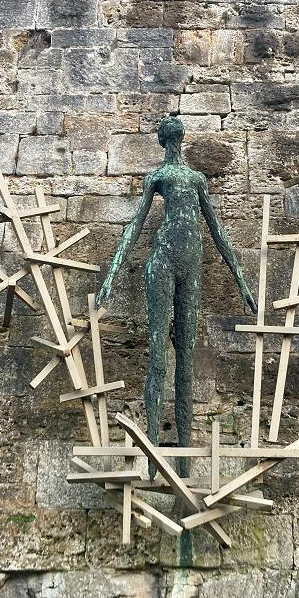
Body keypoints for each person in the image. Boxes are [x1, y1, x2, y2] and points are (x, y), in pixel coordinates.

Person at [95, 116, 257, 472]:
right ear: (165, 140)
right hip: (163, 260)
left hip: (191, 263)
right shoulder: (157, 178)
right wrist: (112, 275)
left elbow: (217, 231)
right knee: (158, 357)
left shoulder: (196, 179)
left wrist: (241, 282)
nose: (174, 138)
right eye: (170, 134)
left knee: (185, 359)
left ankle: (184, 464)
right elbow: (136, 225)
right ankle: (153, 458)